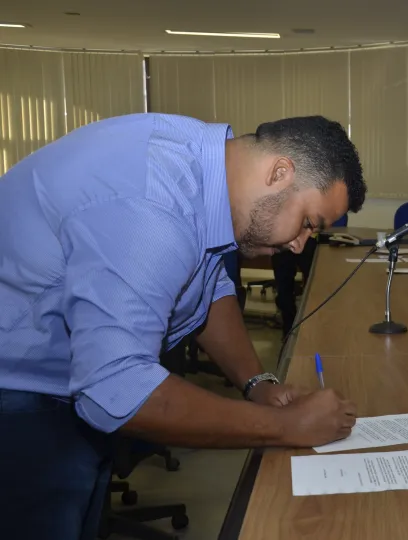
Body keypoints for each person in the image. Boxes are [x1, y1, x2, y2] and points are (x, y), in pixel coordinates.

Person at [0, 113, 365, 540]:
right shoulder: (151, 202)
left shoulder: (207, 167)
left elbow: (207, 288)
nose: (299, 244)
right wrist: (287, 427)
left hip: (63, 379)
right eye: (308, 222)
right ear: (279, 172)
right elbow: (116, 391)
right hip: (18, 390)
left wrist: (259, 384)